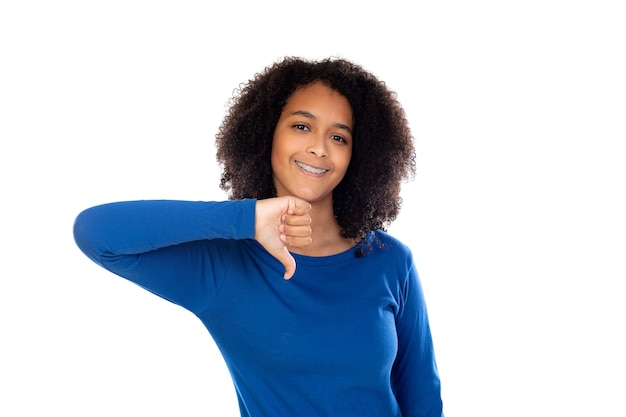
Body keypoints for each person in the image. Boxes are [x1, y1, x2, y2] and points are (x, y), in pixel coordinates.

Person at [73, 56, 444, 416]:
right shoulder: (225, 267)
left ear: (358, 156)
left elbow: (423, 401)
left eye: (339, 137)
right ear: (266, 134)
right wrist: (247, 217)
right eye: (302, 126)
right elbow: (96, 233)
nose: (319, 147)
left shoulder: (391, 260)